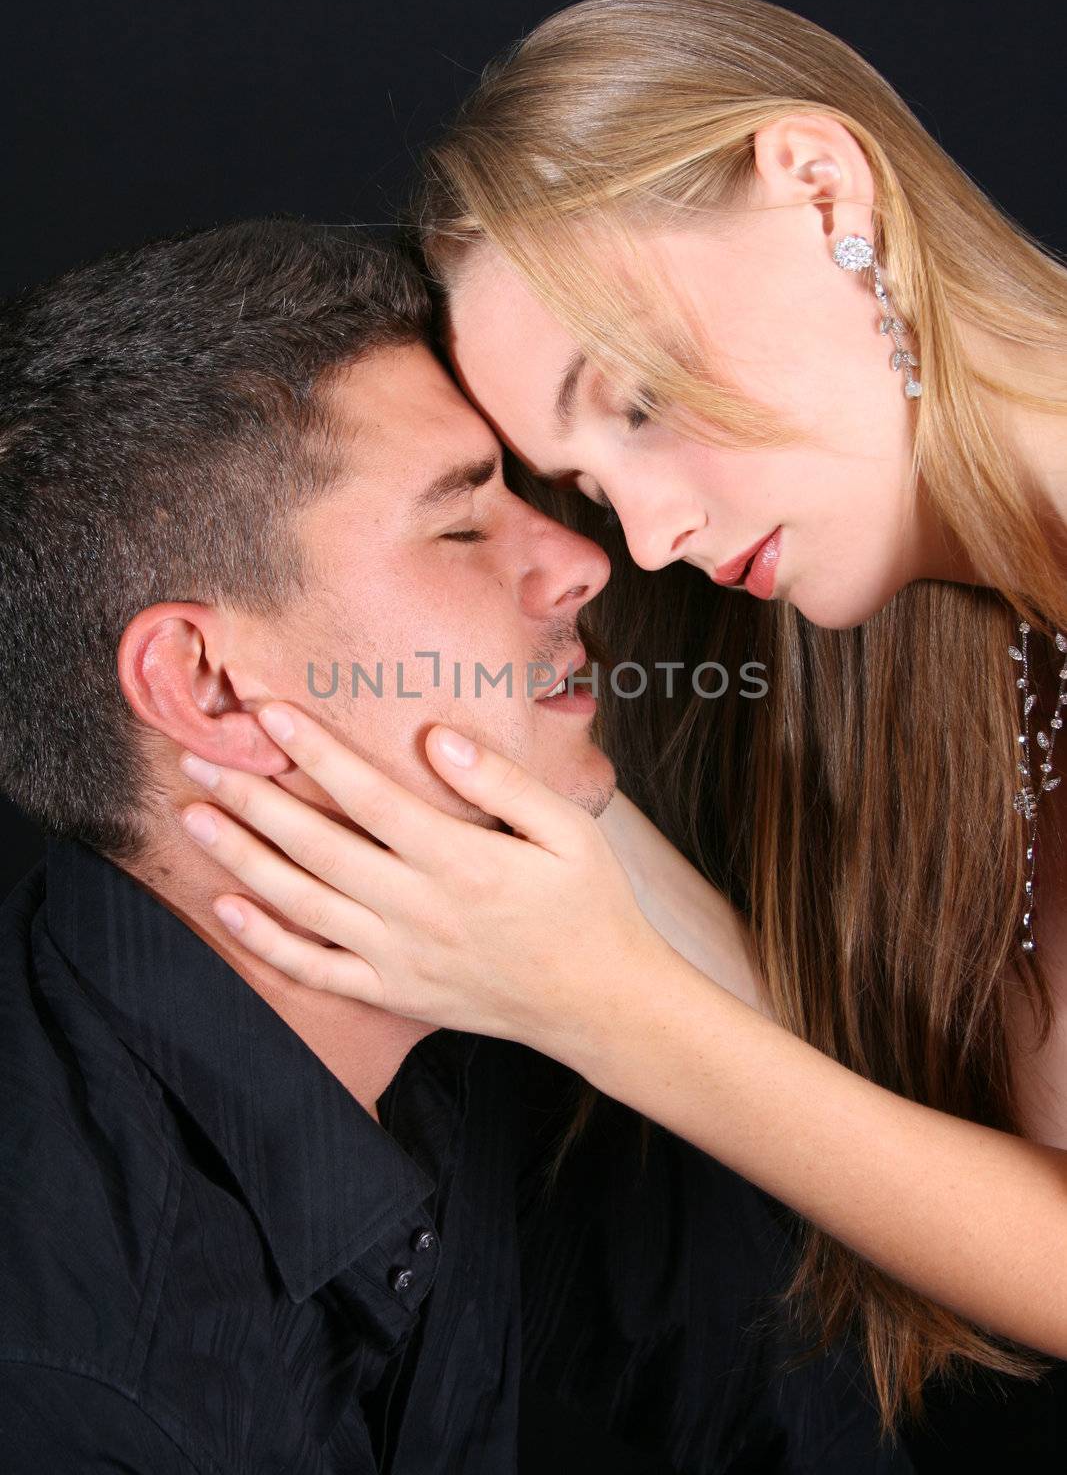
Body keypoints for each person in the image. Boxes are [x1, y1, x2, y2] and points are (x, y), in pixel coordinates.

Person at [175, 0, 1067, 1444]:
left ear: (819, 188)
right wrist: (513, 778)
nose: (643, 537)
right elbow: (919, 1138)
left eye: (639, 397)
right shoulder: (976, 642)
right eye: (583, 483)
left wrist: (597, 1006)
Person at [0, 217, 911, 1473]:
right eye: (460, 524)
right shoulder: (76, 1388)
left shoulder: (471, 1014)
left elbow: (790, 1405)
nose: (586, 561)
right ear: (208, 685)